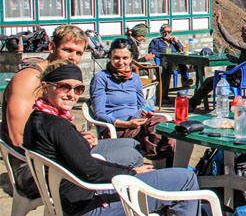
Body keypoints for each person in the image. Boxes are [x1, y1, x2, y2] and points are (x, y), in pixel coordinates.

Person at [23, 60, 201, 216]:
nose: (72, 94)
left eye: (78, 89)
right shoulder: (57, 125)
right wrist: (131, 173)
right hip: (90, 205)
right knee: (186, 179)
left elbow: (82, 162)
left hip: (71, 199)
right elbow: (90, 170)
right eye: (64, 87)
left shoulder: (38, 118)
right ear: (45, 87)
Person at [1, 25, 143, 199]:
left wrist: (75, 136)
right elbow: (18, 138)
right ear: (52, 47)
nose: (73, 58)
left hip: (57, 154)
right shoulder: (31, 78)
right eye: (67, 50)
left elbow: (53, 128)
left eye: (78, 53)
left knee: (131, 145)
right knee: (130, 157)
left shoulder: (61, 76)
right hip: (35, 168)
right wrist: (71, 144)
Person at [91, 38, 176, 161]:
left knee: (164, 125)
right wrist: (127, 124)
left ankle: (166, 164)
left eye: (125, 58)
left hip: (138, 122)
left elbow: (142, 104)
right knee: (157, 136)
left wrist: (147, 111)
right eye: (116, 58)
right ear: (110, 57)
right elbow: (99, 114)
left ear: (131, 58)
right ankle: (168, 165)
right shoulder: (101, 78)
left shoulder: (134, 78)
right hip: (117, 128)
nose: (120, 62)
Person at [188, 10, 246, 110]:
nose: (241, 36)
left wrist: (219, 24)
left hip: (236, 80)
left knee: (209, 81)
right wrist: (237, 60)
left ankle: (192, 104)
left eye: (243, 34)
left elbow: (230, 40)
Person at [148, 24, 193, 89]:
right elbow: (151, 52)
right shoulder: (156, 41)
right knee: (179, 62)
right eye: (164, 32)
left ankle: (185, 80)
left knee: (181, 60)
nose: (166, 34)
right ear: (161, 32)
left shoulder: (173, 42)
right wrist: (162, 55)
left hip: (177, 63)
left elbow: (183, 50)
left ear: (171, 32)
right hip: (165, 62)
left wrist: (176, 42)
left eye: (168, 32)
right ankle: (184, 79)